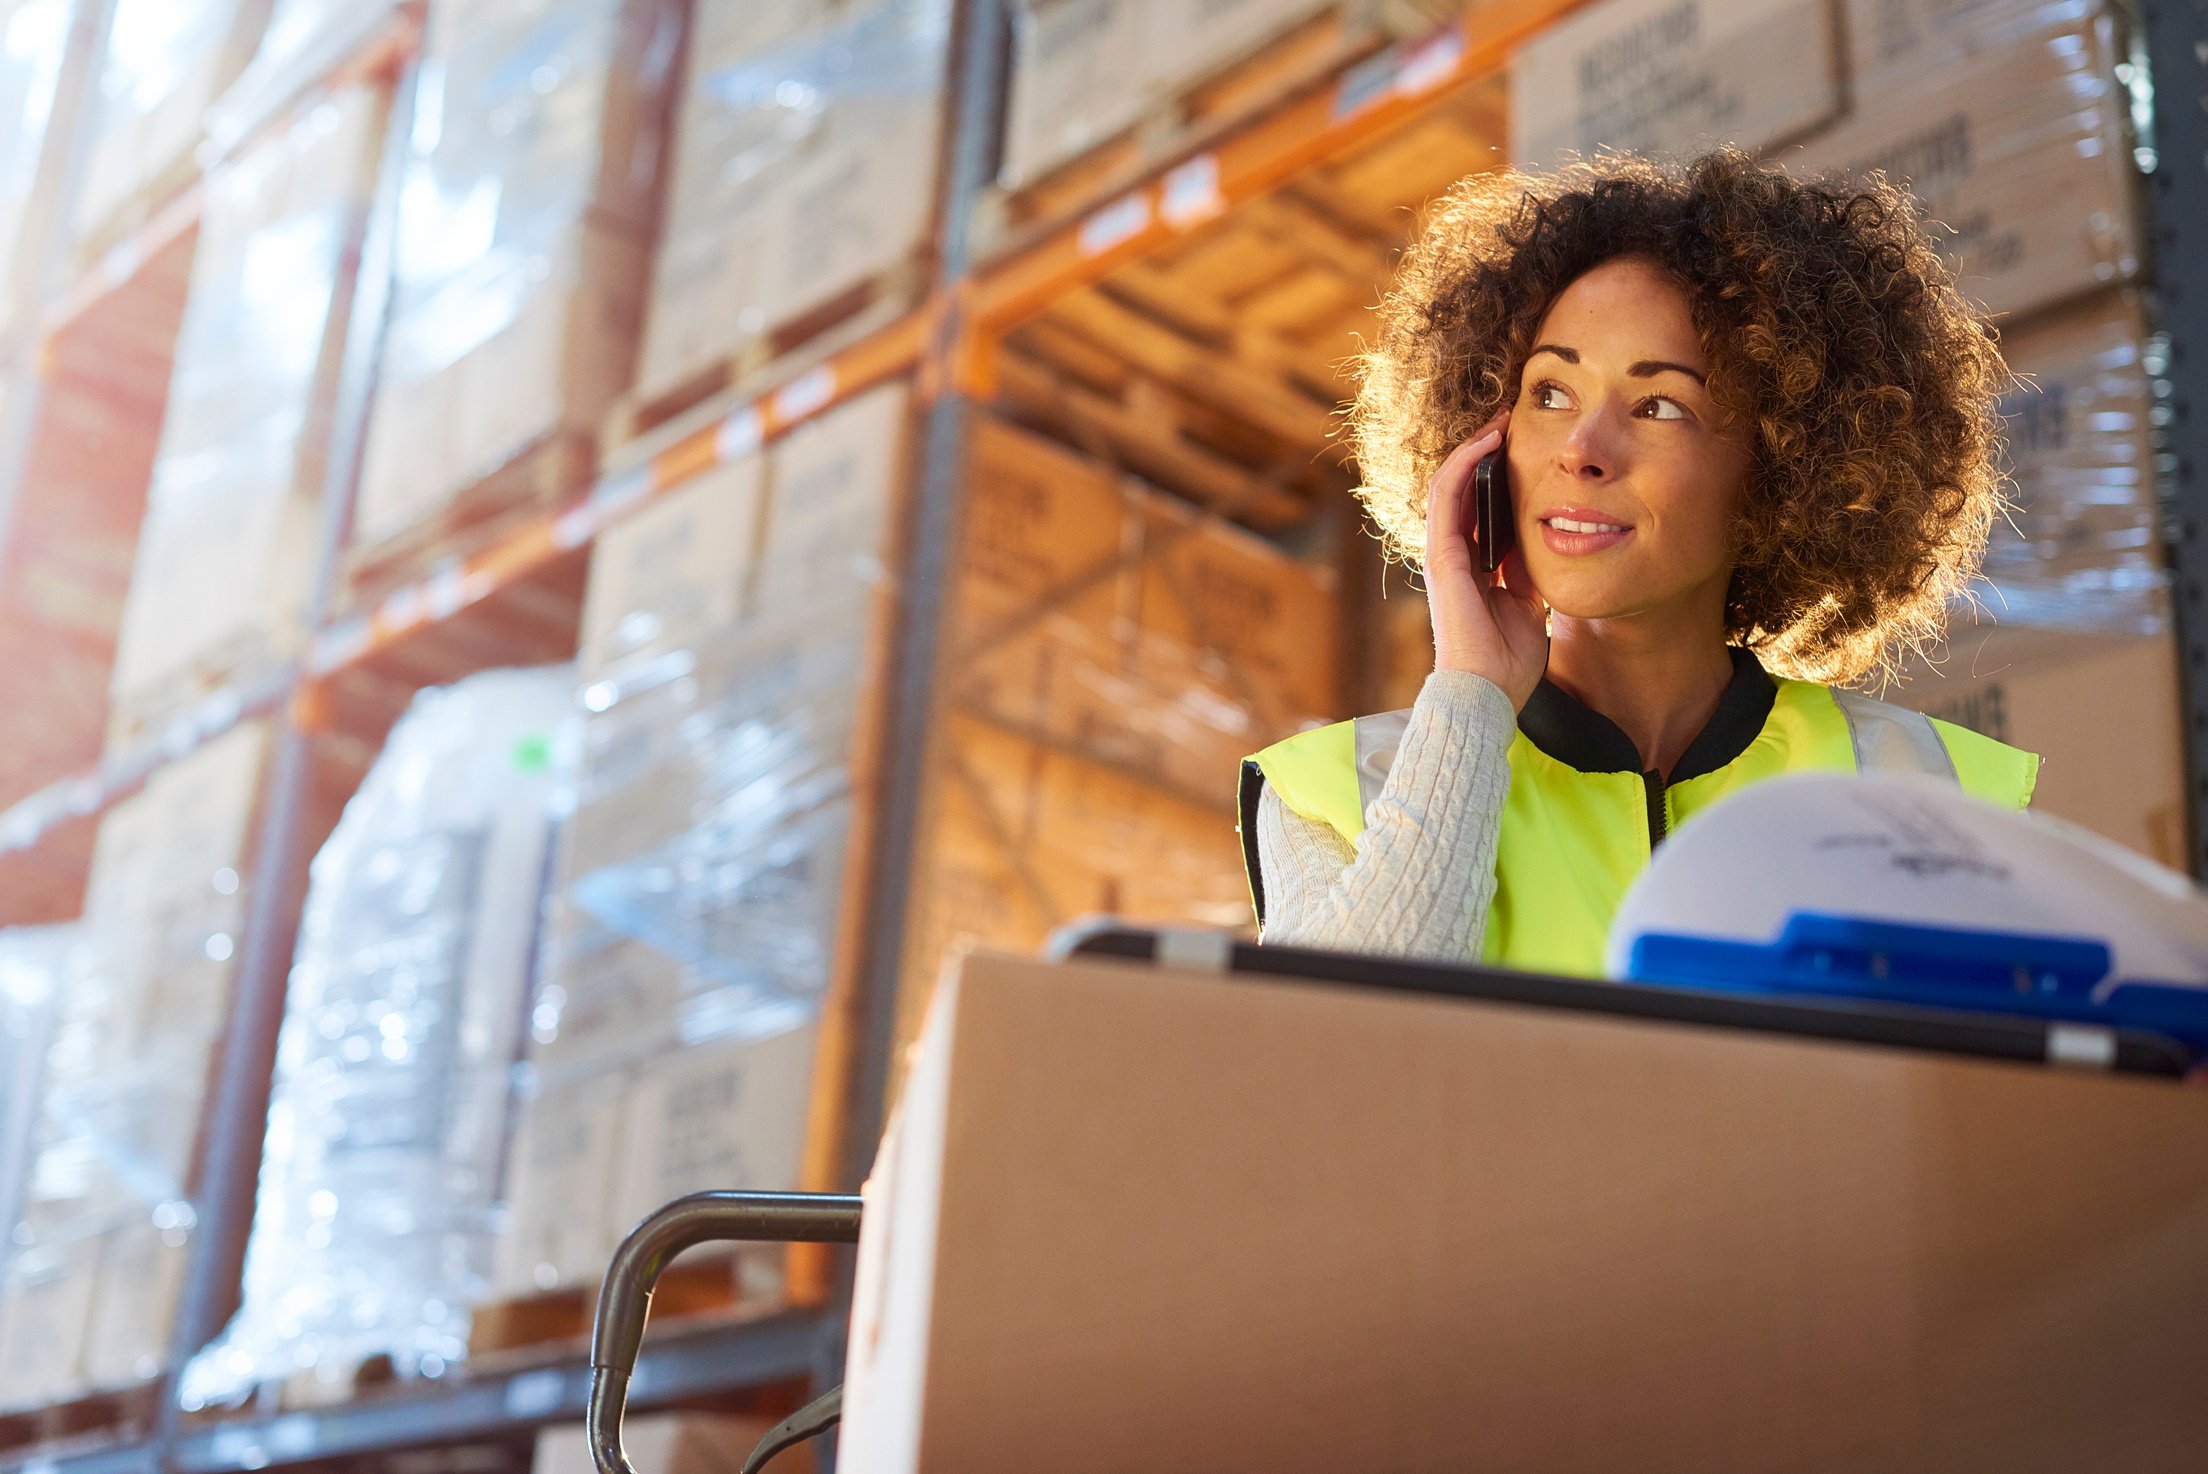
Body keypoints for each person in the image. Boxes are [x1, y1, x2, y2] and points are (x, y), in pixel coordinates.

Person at [1238, 149, 2039, 976]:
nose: (1582, 450)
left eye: (1659, 405)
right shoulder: (1335, 791)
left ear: (1786, 469)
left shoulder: (1925, 794)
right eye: (1551, 392)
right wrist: (1470, 697)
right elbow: (1344, 1064)